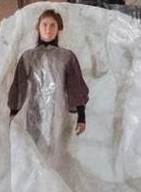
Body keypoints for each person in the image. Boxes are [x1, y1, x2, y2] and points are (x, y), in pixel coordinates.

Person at [6, 9, 90, 150]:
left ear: (59, 29)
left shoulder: (67, 56)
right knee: (35, 149)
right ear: (38, 28)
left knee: (57, 152)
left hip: (60, 114)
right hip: (34, 113)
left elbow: (76, 86)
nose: (48, 29)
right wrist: (13, 113)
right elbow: (18, 86)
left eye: (53, 25)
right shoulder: (27, 57)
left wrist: (81, 116)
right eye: (44, 24)